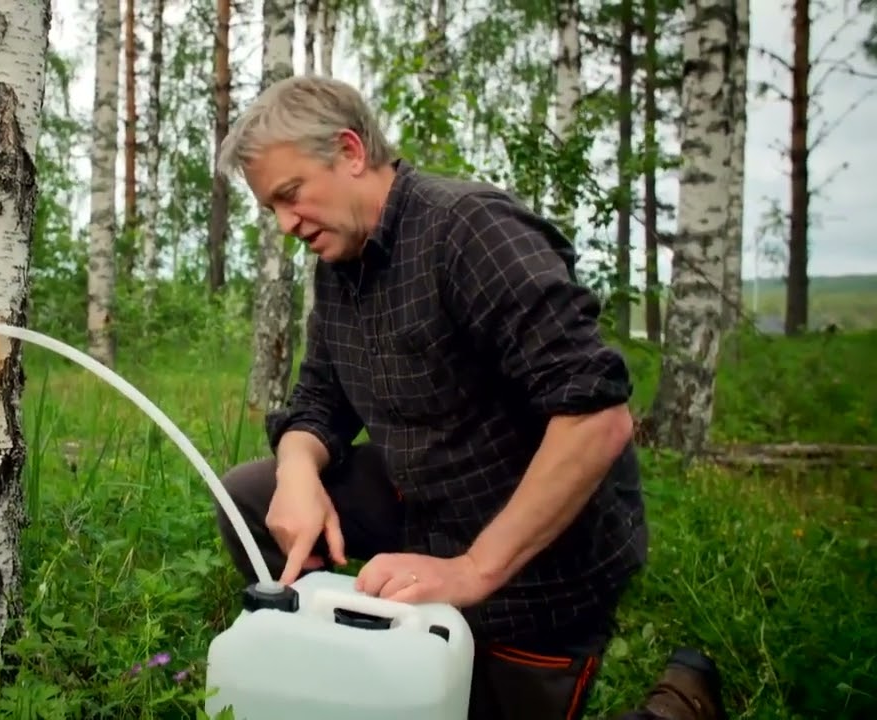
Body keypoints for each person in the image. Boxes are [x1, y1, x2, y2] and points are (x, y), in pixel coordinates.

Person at [209, 74, 726, 720]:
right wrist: (295, 469)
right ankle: (348, 651)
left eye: (290, 195)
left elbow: (598, 420)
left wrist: (473, 570)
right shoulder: (340, 264)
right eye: (272, 209)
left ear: (350, 152)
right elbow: (319, 397)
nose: (286, 224)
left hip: (541, 555)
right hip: (426, 505)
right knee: (251, 496)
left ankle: (677, 706)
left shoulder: (469, 232)